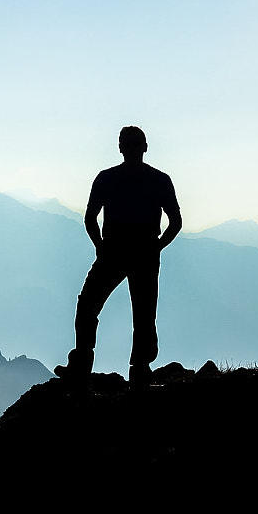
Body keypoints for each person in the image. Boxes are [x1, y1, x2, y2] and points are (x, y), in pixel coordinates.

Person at [56, 125, 182, 387]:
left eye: (134, 143)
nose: (133, 148)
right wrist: (157, 246)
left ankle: (83, 366)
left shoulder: (107, 178)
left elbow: (90, 218)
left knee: (92, 306)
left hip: (115, 252)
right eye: (130, 143)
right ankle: (139, 370)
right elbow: (175, 222)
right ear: (127, 147)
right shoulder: (159, 180)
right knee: (142, 313)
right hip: (139, 252)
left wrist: (100, 246)